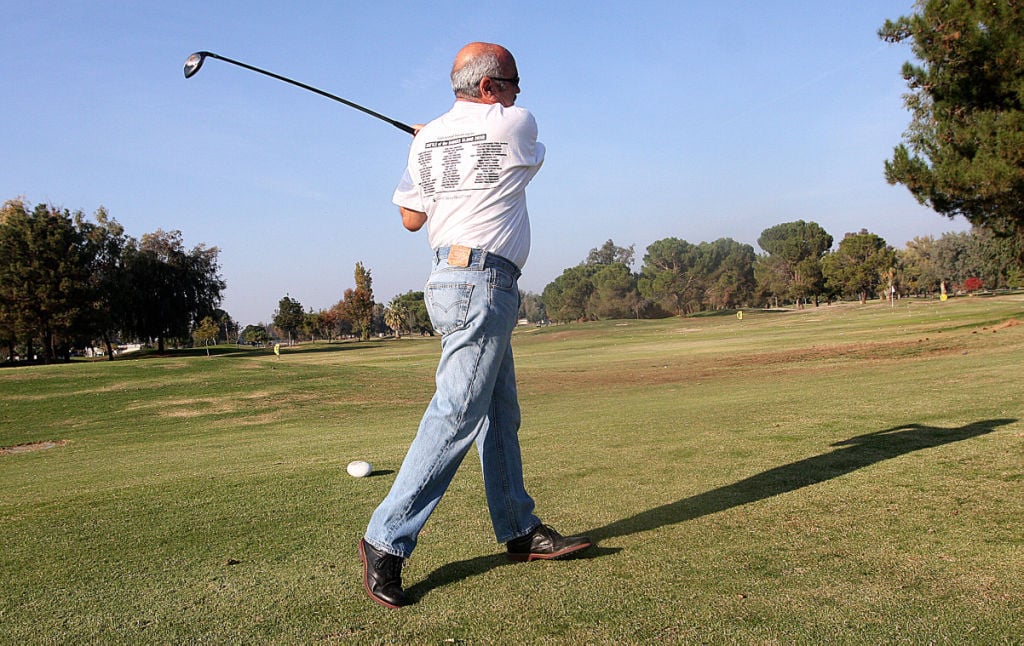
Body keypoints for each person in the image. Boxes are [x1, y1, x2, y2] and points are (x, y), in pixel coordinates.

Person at [359, 42, 593, 609]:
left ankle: (518, 530)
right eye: (513, 82)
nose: (519, 93)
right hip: (480, 283)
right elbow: (526, 161)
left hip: (454, 280)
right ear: (489, 88)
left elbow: (412, 219)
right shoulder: (516, 123)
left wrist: (431, 145)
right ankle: (384, 540)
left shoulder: (429, 141)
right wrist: (445, 143)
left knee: (498, 412)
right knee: (458, 411)